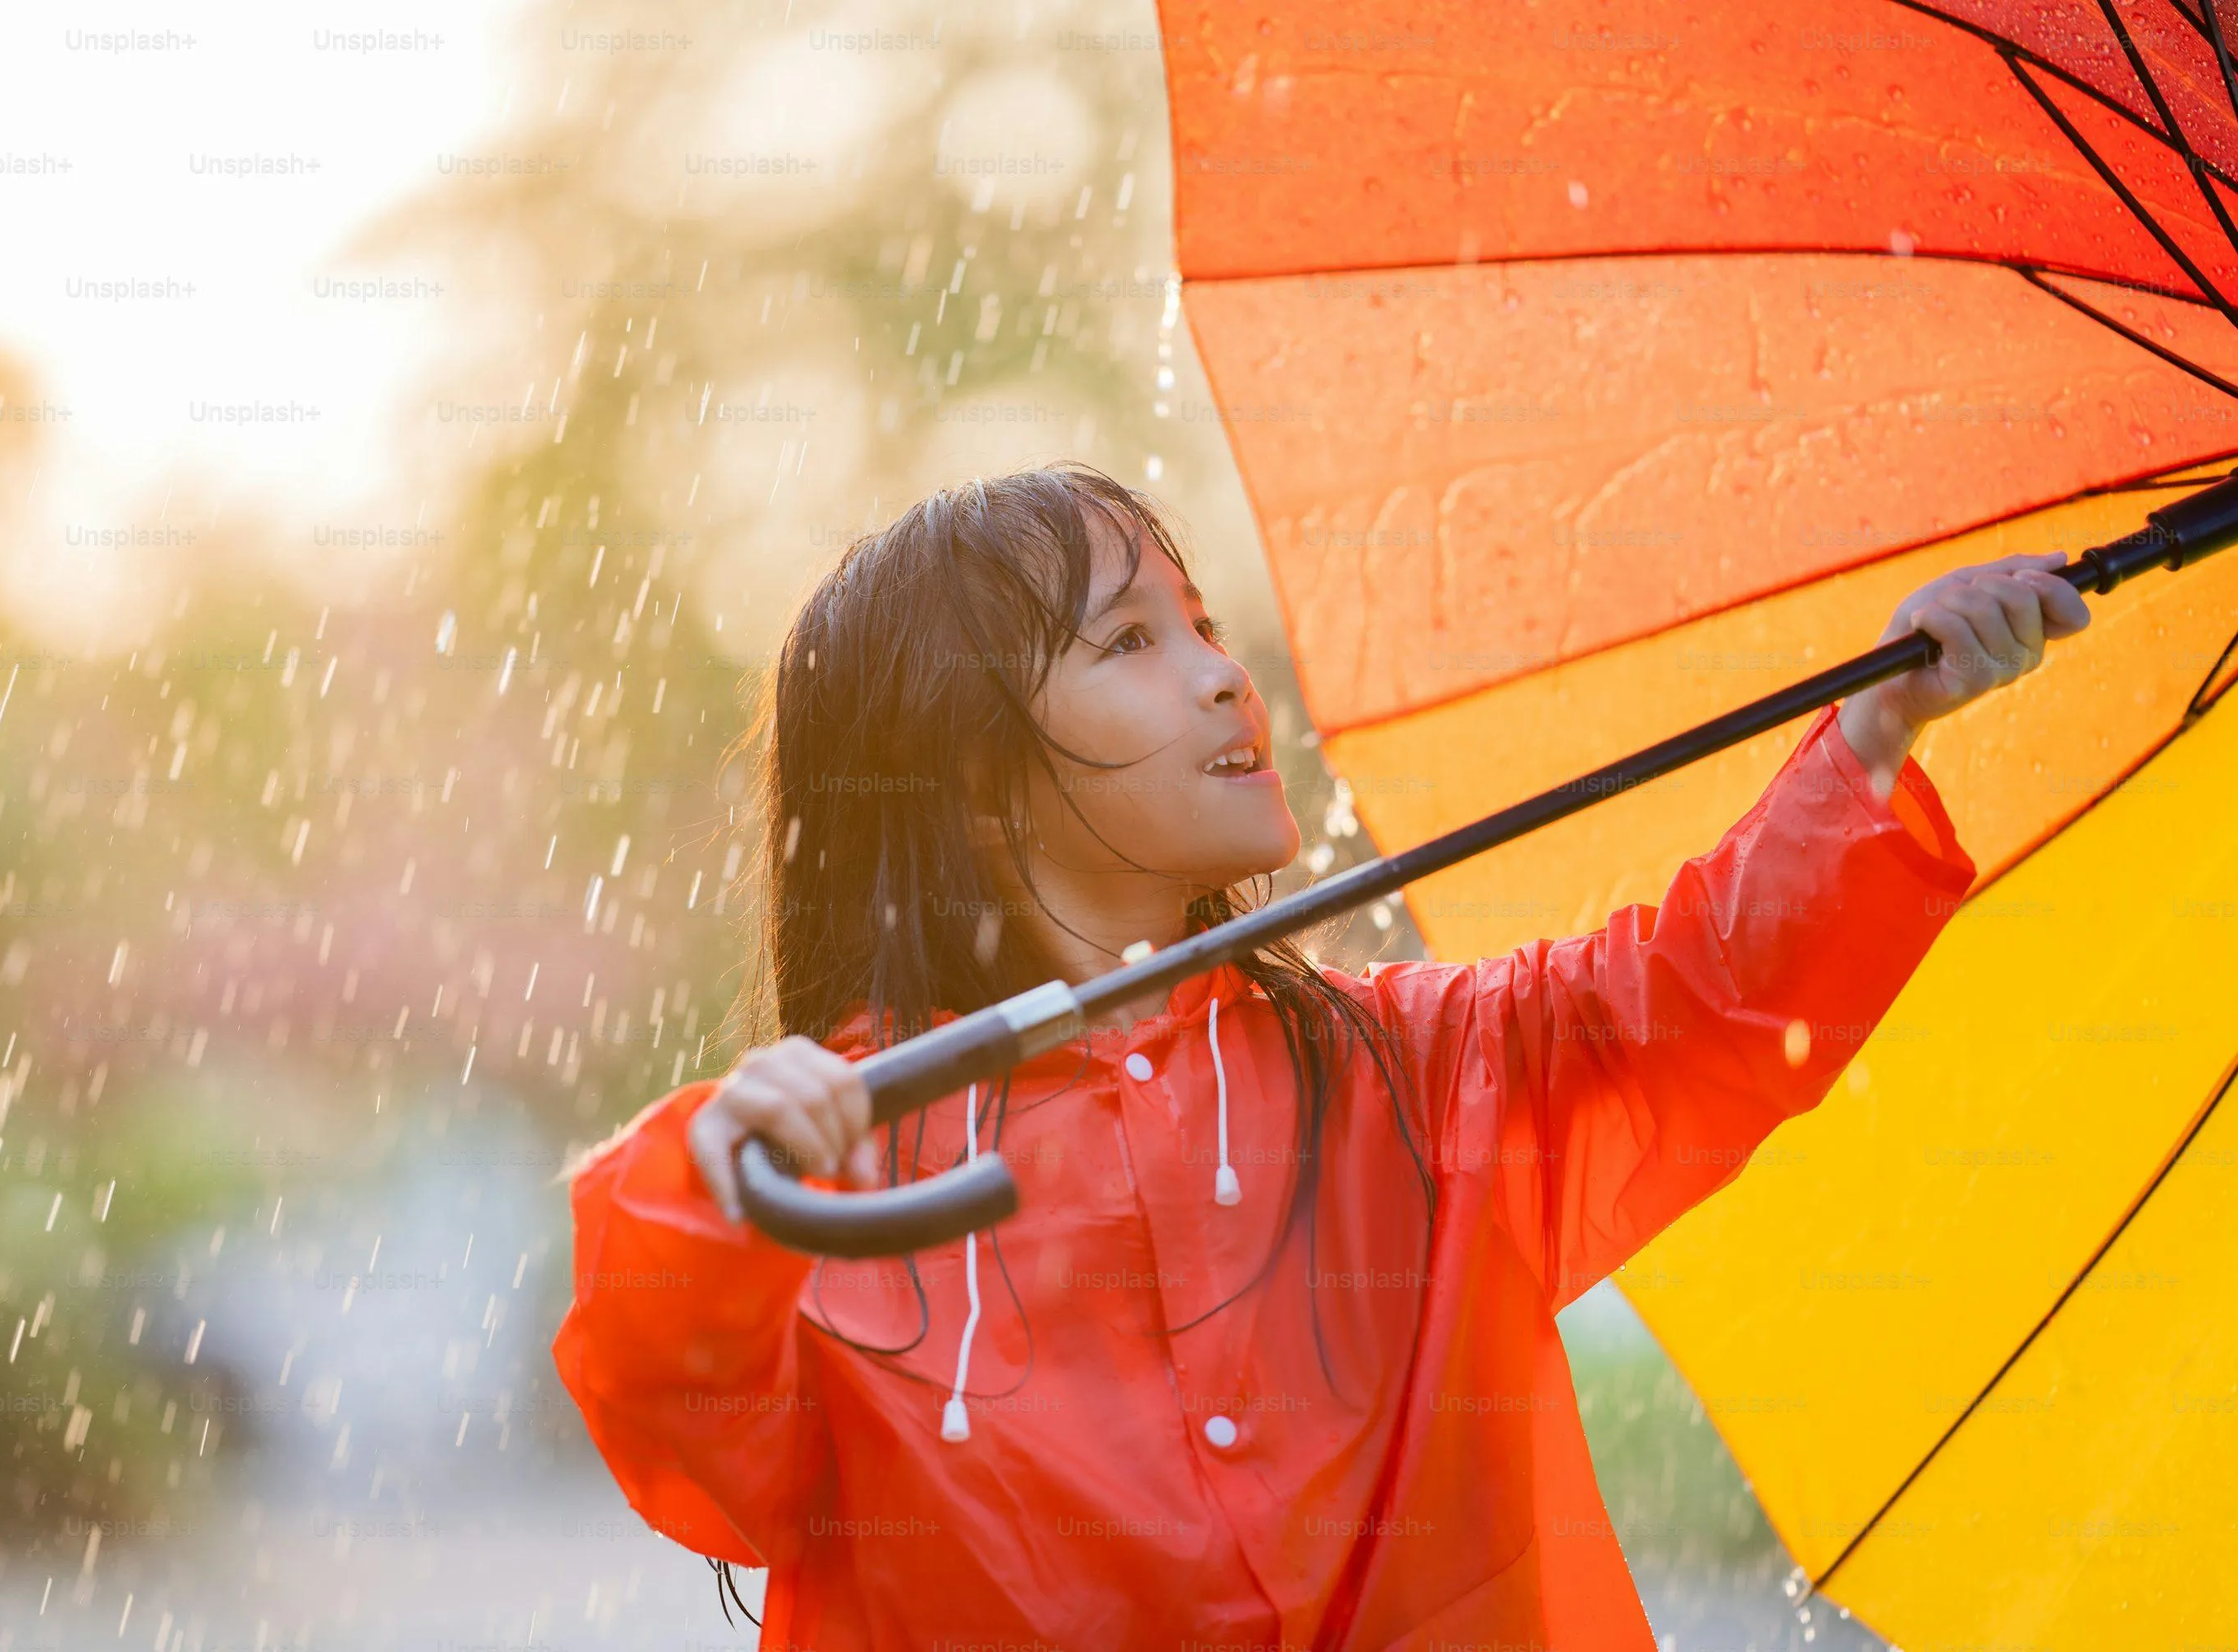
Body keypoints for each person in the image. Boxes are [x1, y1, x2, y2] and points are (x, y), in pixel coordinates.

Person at [549, 460, 2090, 1650]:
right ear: (969, 781)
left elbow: (1700, 998)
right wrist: (711, 1190)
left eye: (1207, 626)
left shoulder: (1413, 1071)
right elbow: (704, 1443)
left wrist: (1880, 730)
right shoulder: (839, 1158)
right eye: (1132, 642)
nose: (1226, 674)